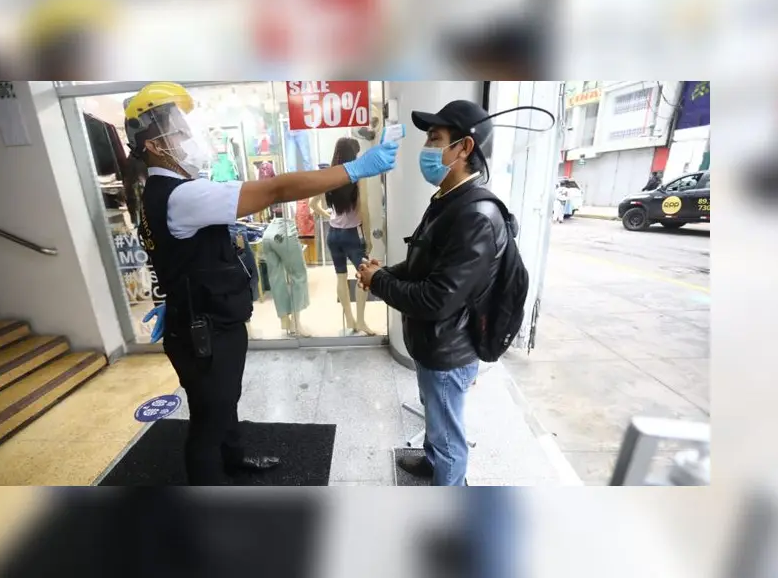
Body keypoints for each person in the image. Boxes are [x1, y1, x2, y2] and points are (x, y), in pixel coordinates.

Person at [126, 82, 399, 485]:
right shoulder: (182, 195)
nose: (189, 138)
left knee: (222, 404)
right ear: (155, 145)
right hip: (205, 331)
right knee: (208, 420)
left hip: (203, 320)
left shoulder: (162, 192)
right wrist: (352, 170)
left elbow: (172, 253)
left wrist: (179, 295)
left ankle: (234, 460)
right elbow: (276, 189)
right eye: (179, 130)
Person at [356, 100, 509, 486]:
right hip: (434, 344)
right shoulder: (448, 199)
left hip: (449, 350)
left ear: (464, 148)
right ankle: (430, 460)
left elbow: (436, 298)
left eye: (435, 139)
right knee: (434, 416)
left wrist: (379, 282)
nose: (427, 148)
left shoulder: (475, 216)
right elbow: (424, 264)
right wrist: (383, 273)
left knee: (447, 435)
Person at [313, 137, 377, 335]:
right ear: (353, 155)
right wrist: (368, 237)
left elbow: (313, 205)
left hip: (333, 235)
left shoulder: (328, 176)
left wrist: (330, 216)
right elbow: (364, 209)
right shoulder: (358, 175)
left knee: (341, 277)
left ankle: (349, 320)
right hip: (352, 235)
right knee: (363, 277)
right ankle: (361, 322)